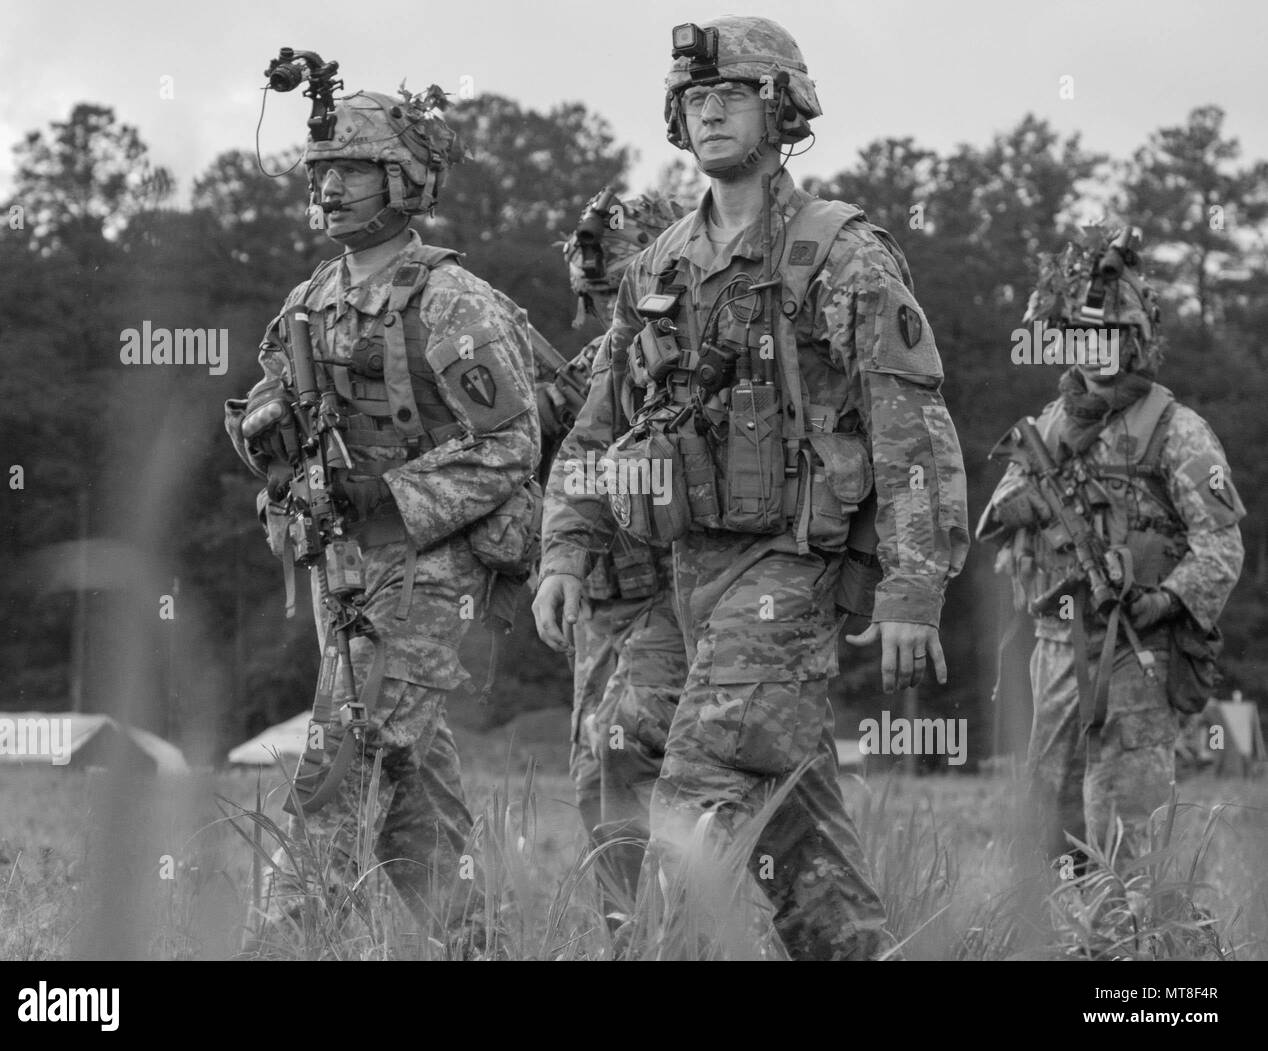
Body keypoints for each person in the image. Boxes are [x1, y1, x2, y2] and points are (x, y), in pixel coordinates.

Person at [533, 16, 969, 959]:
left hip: (788, 570)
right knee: (649, 757)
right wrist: (566, 547)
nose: (710, 114)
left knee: (699, 780)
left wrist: (912, 591)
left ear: (782, 113)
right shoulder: (657, 269)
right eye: (694, 101)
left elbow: (912, 432)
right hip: (682, 568)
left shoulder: (841, 253)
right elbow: (599, 424)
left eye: (731, 96)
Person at [224, 83, 540, 953]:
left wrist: (391, 495)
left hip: (429, 564)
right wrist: (269, 443)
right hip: (344, 567)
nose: (328, 187)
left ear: (404, 179)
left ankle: (287, 941)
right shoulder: (308, 302)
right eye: (321, 170)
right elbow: (269, 416)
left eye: (353, 170)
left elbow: (511, 444)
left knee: (343, 749)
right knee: (408, 766)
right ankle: (470, 943)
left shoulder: (450, 300)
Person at [978, 226, 1244, 863]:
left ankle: (1134, 947)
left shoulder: (1178, 432)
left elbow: (1222, 546)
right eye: (1083, 334)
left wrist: (1167, 602)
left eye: (1112, 335)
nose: (1097, 348)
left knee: (1127, 828)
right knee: (1050, 828)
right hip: (1054, 650)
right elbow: (994, 518)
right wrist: (1036, 500)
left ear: (1137, 341)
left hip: (1133, 646)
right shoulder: (1051, 425)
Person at [543, 188, 688, 912]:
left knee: (633, 747)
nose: (604, 310)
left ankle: (688, 933)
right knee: (590, 780)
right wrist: (559, 559)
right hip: (605, 603)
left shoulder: (683, 355)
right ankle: (627, 936)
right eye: (593, 295)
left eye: (615, 291)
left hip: (680, 591)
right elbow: (572, 458)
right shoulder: (582, 377)